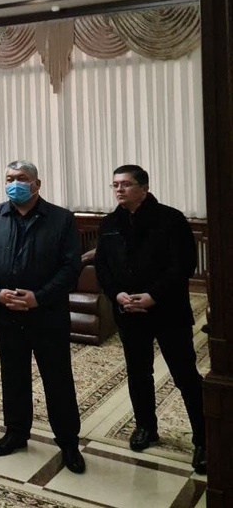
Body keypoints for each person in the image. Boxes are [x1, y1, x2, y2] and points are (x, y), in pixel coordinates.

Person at [0, 160, 86, 474]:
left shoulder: (61, 219)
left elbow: (70, 267)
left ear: (37, 183)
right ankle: (16, 432)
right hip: (5, 313)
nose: (14, 184)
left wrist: (39, 297)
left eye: (21, 178)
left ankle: (68, 442)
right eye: (9, 178)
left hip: (47, 314)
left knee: (58, 379)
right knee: (13, 376)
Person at [94, 165, 206, 474]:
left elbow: (183, 264)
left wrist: (153, 296)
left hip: (168, 310)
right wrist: (117, 294)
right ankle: (146, 427)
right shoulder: (110, 223)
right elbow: (102, 265)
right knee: (138, 372)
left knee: (185, 375)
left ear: (144, 188)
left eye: (126, 184)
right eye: (115, 184)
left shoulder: (171, 219)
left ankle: (204, 438)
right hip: (129, 312)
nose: (119, 190)